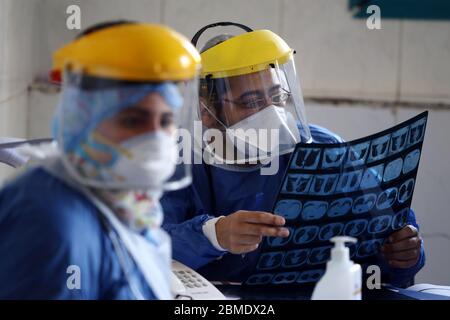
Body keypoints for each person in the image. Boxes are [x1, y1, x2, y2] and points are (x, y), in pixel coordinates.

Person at [161, 22, 425, 288]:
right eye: (251, 102)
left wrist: (405, 250)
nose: (271, 113)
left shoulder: (324, 150)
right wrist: (213, 235)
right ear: (207, 111)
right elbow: (148, 245)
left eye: (277, 96)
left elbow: (386, 224)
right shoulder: (181, 160)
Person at [0, 21, 201, 299]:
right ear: (80, 119)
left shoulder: (129, 203)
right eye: (133, 120)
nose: (154, 139)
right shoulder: (49, 221)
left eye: (166, 120)